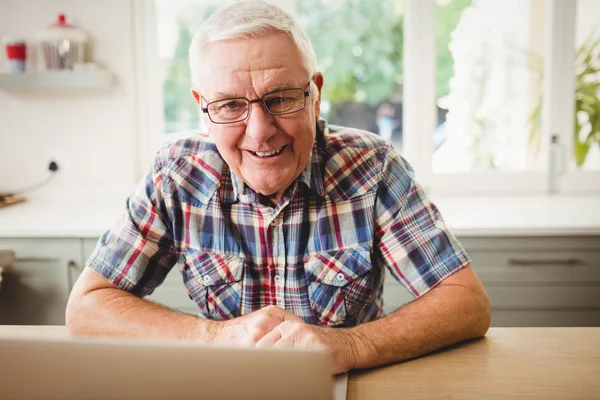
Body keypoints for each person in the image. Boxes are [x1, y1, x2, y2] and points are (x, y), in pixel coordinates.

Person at [66, 0, 490, 375]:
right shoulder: (176, 174)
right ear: (203, 108)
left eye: (282, 97)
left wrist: (352, 345)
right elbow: (86, 308)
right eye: (231, 105)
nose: (260, 132)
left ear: (315, 94)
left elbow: (466, 303)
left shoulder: (373, 168)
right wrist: (215, 338)